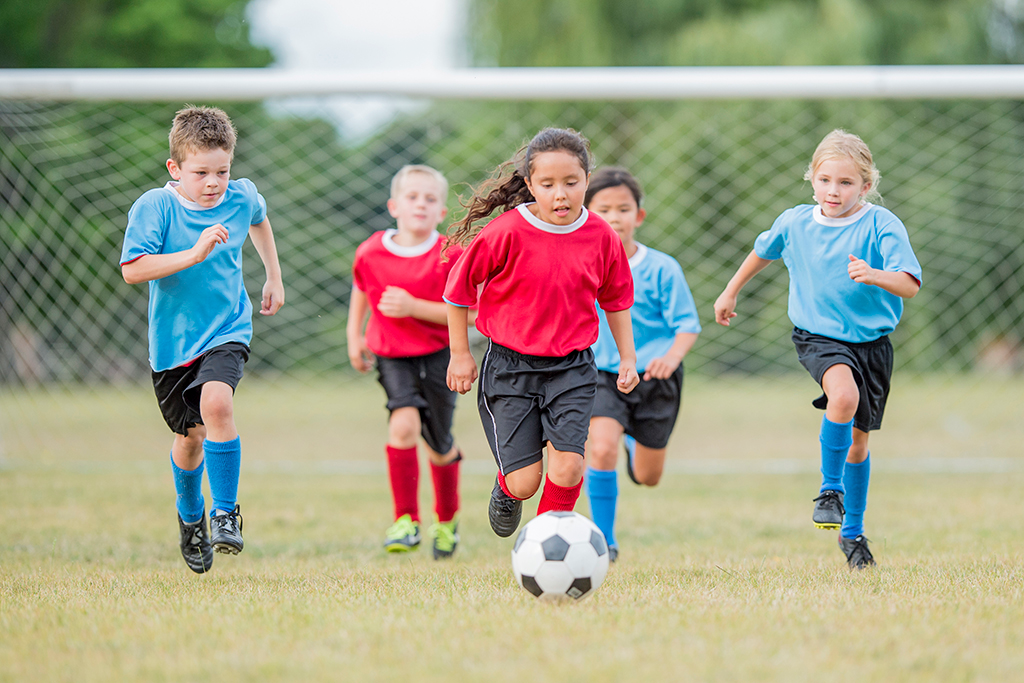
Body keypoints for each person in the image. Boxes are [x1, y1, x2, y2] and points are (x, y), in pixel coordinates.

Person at [713, 129, 921, 569]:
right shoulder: (794, 222)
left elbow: (908, 283)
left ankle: (853, 534)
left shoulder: (882, 224)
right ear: (812, 178)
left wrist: (874, 274)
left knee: (859, 445)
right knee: (843, 397)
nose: (834, 190)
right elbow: (762, 251)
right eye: (825, 179)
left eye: (846, 183)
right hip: (818, 337)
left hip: (872, 345)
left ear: (866, 186)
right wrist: (730, 291)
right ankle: (830, 491)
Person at [443, 127, 640, 539]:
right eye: (547, 185)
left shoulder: (602, 236)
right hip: (510, 368)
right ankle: (505, 489)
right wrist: (460, 355)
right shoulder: (506, 232)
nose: (561, 195)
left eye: (571, 182)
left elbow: (617, 300)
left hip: (573, 367)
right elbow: (457, 292)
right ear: (530, 185)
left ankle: (544, 544)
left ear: (587, 179)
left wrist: (627, 358)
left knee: (568, 466)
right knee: (524, 483)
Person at [120, 105, 285, 574]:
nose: (214, 183)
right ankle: (190, 518)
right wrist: (192, 254)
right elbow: (133, 270)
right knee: (188, 438)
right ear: (175, 169)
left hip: (227, 328)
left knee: (217, 404)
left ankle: (225, 513)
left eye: (222, 171)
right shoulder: (155, 207)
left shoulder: (239, 196)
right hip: (172, 345)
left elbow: (259, 217)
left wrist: (273, 276)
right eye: (201, 173)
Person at [583, 167, 701, 563]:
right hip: (602, 374)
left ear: (639, 216)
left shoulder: (662, 268)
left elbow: (686, 325)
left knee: (648, 478)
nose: (614, 218)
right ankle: (604, 541)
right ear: (587, 214)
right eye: (603, 209)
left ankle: (635, 441)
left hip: (654, 378)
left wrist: (670, 358)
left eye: (623, 209)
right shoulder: (581, 265)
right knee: (600, 450)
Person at [348, 165, 466, 559]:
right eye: (412, 197)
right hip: (392, 354)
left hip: (440, 356)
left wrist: (415, 307)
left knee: (439, 445)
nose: (421, 204)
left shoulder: (451, 253)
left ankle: (447, 521)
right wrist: (355, 336)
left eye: (430, 199)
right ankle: (405, 520)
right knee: (403, 425)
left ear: (442, 211)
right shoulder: (371, 250)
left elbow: (470, 313)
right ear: (394, 206)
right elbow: (362, 290)